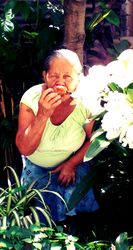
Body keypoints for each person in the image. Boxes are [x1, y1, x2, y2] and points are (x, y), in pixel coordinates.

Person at [15, 48, 99, 226]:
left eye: (67, 77)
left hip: (74, 161)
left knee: (78, 217)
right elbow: (24, 148)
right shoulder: (32, 98)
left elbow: (95, 140)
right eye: (54, 76)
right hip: (37, 165)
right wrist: (43, 115)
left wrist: (71, 164)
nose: (60, 82)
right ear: (45, 76)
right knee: (39, 218)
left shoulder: (86, 100)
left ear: (78, 79)